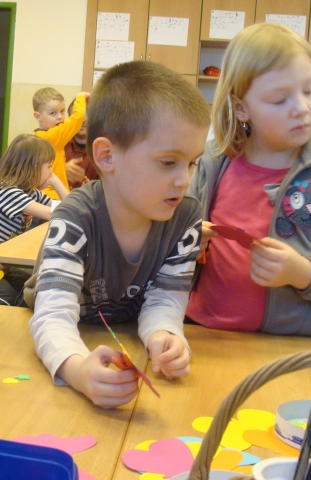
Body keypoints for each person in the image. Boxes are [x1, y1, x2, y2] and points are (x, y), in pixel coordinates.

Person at [24, 61, 211, 409]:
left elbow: (164, 301)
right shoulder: (76, 217)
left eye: (191, 163)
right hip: (66, 333)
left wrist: (165, 335)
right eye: (168, 162)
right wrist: (77, 370)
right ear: (107, 156)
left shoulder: (185, 217)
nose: (184, 180)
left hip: (121, 334)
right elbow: (52, 317)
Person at [186, 23, 311, 340]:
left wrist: (304, 272)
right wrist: (188, 243)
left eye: (309, 89)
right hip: (204, 334)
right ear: (241, 108)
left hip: (293, 345)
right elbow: (169, 239)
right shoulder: (212, 162)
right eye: (279, 100)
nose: (302, 108)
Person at [0, 134, 67, 305]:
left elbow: (70, 209)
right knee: (32, 286)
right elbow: (56, 213)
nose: (51, 172)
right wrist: (55, 182)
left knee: (37, 285)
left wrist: (56, 182)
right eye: (49, 166)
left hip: (5, 258)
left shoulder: (28, 191)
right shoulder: (5, 190)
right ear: (34, 167)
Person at [33, 87, 89, 199]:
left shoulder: (38, 137)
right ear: (38, 116)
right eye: (53, 113)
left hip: (47, 194)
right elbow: (77, 119)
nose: (60, 117)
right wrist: (81, 97)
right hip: (52, 194)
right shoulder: (51, 137)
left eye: (62, 111)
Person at [65, 100, 98, 189]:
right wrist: (61, 171)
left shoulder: (104, 148)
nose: (82, 120)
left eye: (86, 115)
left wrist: (92, 188)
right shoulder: (59, 144)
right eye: (77, 116)